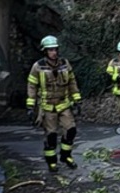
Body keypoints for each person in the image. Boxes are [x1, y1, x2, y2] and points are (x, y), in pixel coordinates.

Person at [26, 35, 83, 173]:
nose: (54, 52)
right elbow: (32, 86)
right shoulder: (38, 66)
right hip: (47, 106)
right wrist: (30, 105)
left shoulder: (65, 63)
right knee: (51, 136)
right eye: (50, 50)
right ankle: (52, 162)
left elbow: (72, 82)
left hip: (63, 104)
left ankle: (65, 156)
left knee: (71, 130)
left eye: (55, 49)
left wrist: (77, 100)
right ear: (45, 51)